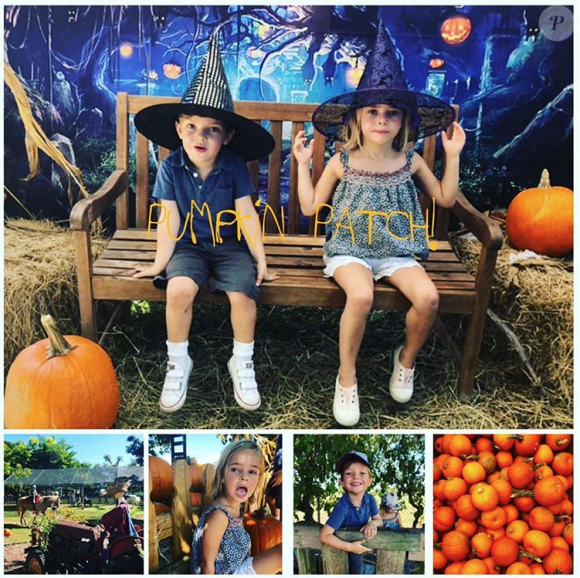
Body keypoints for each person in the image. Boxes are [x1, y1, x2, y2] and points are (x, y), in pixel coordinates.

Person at [293, 22, 465, 425]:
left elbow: (444, 198)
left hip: (397, 252)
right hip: (349, 249)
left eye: (391, 113)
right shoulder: (343, 161)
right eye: (373, 111)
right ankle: (347, 377)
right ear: (356, 118)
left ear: (403, 121)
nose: (381, 119)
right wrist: (302, 166)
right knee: (362, 296)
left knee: (428, 298)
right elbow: (309, 205)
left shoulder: (410, 160)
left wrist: (452, 156)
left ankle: (404, 361)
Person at [133, 33, 277, 413]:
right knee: (179, 289)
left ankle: (242, 361)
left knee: (244, 292)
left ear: (226, 136)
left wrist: (260, 259)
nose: (201, 135)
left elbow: (246, 213)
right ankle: (178, 361)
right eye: (193, 126)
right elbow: (169, 220)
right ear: (179, 129)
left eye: (212, 129)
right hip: (189, 247)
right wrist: (158, 263)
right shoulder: (170, 167)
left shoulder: (232, 167)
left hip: (230, 248)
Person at [190, 439, 282, 574]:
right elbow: (206, 564)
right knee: (282, 553)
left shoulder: (235, 509)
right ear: (222, 475)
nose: (244, 477)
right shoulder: (219, 516)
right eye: (235, 469)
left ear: (258, 479)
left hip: (238, 566)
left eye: (252, 472)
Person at [319, 451, 382, 575]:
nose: (356, 476)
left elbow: (379, 519)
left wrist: (372, 523)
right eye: (349, 473)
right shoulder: (342, 507)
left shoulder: (370, 500)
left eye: (362, 473)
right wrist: (350, 547)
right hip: (341, 548)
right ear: (342, 482)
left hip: (357, 548)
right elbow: (324, 536)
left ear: (369, 480)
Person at [264, 435, 282, 520]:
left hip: (282, 471)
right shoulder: (280, 436)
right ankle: (276, 520)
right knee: (269, 497)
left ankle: (281, 526)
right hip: (277, 469)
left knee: (282, 502)